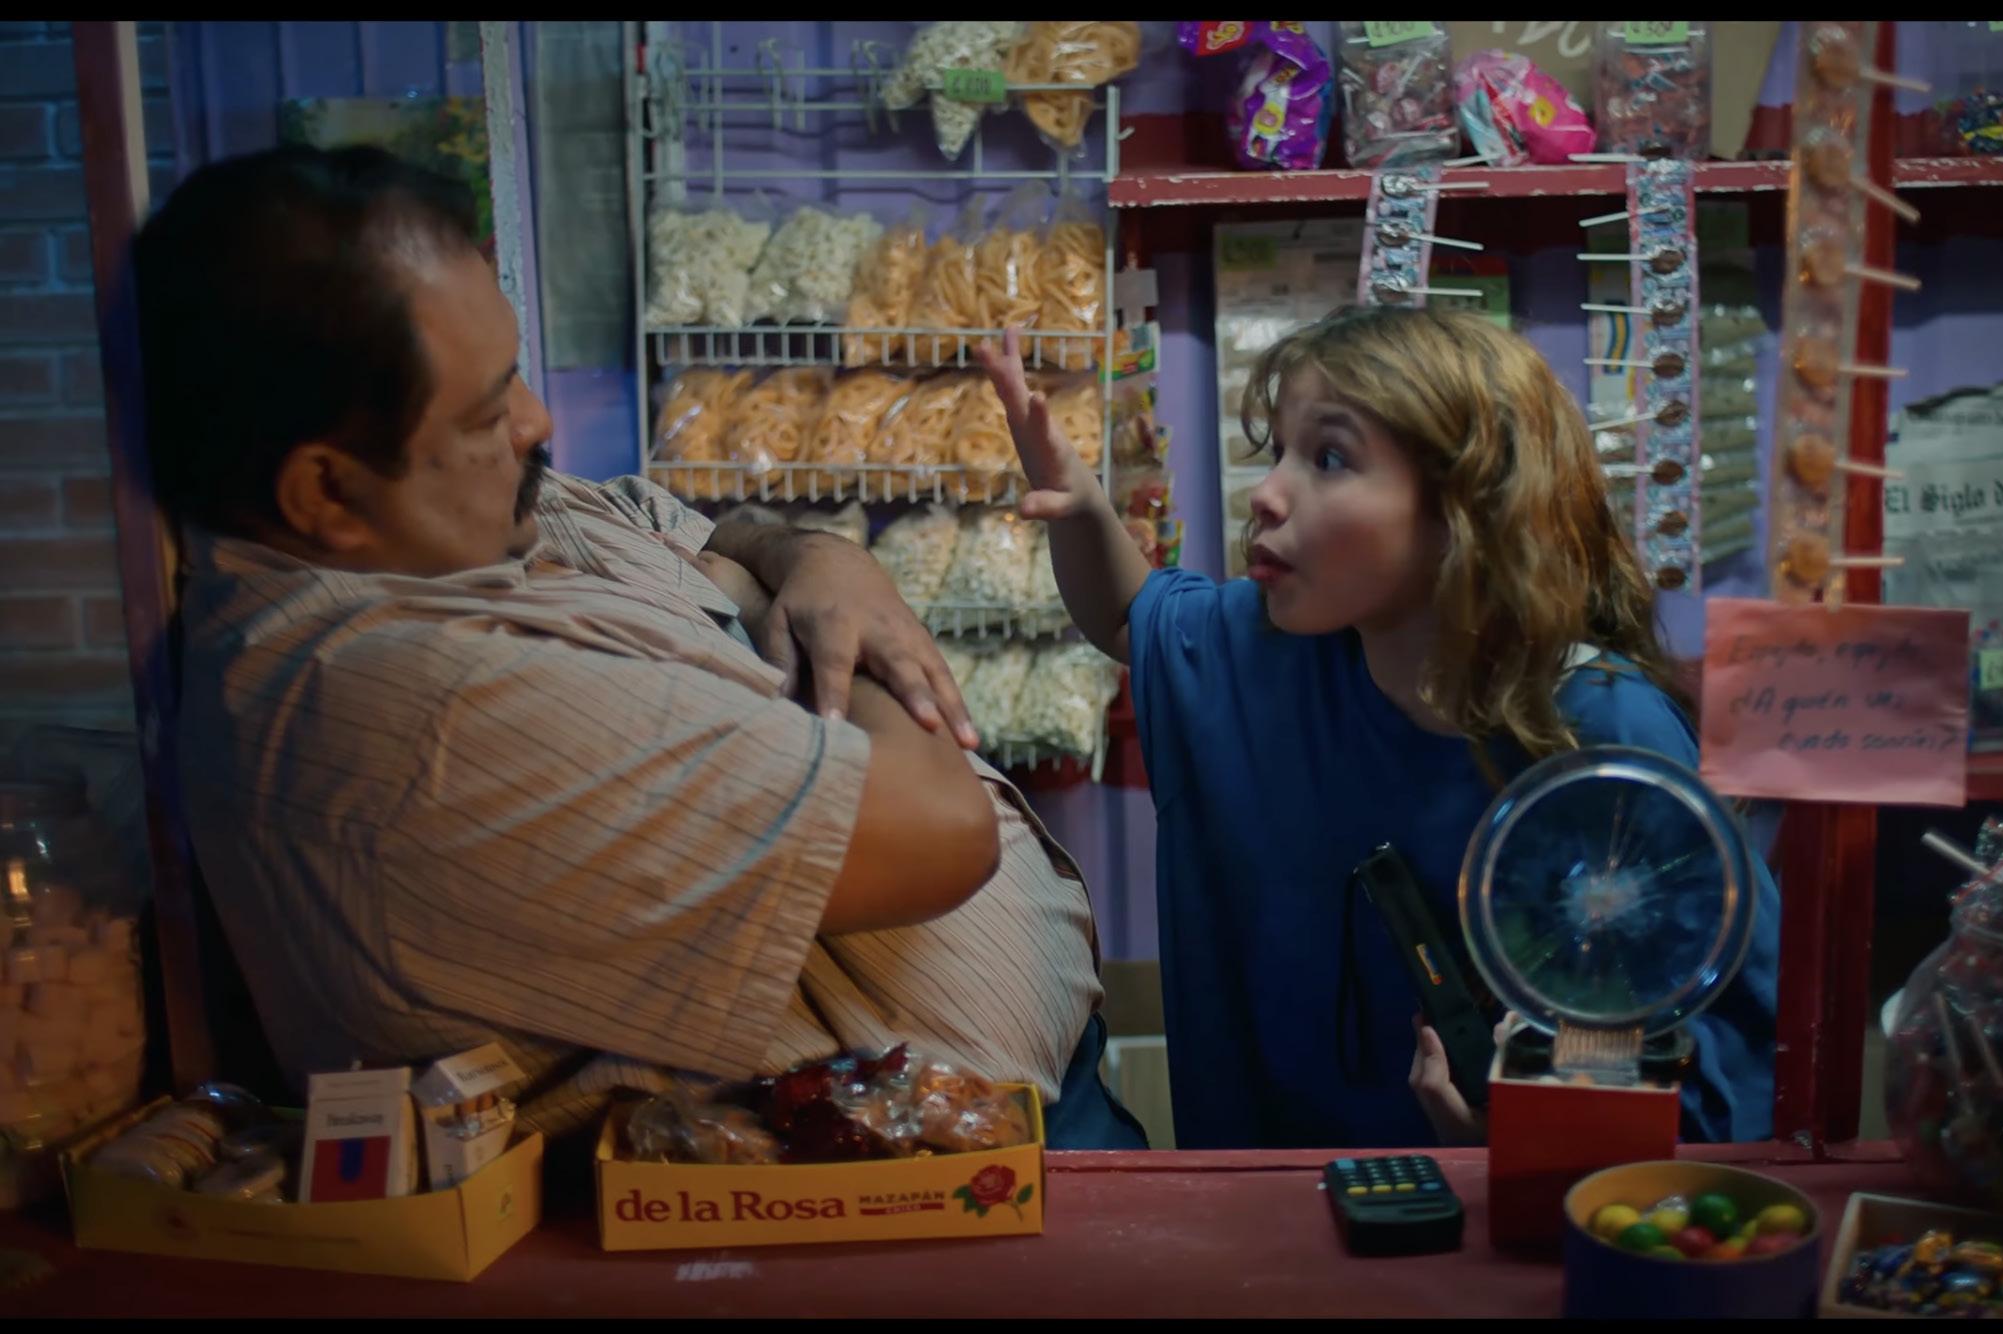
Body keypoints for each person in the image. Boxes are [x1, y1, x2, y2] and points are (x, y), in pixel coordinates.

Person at [136, 145, 1145, 1150]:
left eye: (515, 374)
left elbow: (688, 530)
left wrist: (816, 558)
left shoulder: (461, 521)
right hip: (892, 1184)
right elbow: (937, 831)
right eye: (488, 410)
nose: (536, 420)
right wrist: (851, 629)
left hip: (1004, 1115)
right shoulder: (409, 709)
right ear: (324, 491)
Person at [975, 307, 1780, 1150]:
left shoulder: (1606, 734)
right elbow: (1127, 615)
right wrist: (1082, 507)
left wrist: (1535, 1131)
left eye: (1329, 458)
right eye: (1276, 451)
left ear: (1469, 509)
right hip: (1280, 1210)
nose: (1267, 494)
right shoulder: (1268, 647)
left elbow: (1728, 1051)